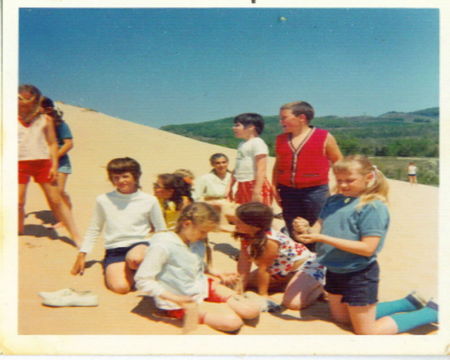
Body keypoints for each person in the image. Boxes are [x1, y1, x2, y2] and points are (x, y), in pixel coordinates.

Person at [295, 155, 438, 334]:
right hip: (334, 269)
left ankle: (432, 312)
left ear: (368, 178)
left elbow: (367, 248)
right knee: (341, 319)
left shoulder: (373, 207)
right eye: (339, 180)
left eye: (350, 180)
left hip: (359, 273)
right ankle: (409, 303)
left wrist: (323, 239)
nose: (343, 185)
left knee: (366, 331)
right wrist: (306, 229)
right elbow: (318, 229)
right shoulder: (333, 201)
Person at [135, 202, 261, 333]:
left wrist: (217, 273)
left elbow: (194, 263)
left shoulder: (195, 240)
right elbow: (143, 280)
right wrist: (174, 298)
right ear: (187, 224)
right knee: (233, 322)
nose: (204, 236)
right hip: (180, 300)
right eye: (203, 232)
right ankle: (208, 310)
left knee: (251, 310)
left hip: (201, 286)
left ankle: (214, 305)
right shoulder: (163, 245)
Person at [71, 157, 167, 294]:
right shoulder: (103, 200)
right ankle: (138, 274)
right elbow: (95, 228)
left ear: (136, 176)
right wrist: (82, 254)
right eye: (116, 177)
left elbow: (161, 230)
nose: (121, 181)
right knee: (121, 288)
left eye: (125, 176)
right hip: (115, 249)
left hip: (140, 245)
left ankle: (145, 272)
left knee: (135, 259)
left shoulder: (149, 200)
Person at [272, 101, 343, 250]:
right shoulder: (280, 139)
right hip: (287, 191)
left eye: (284, 118)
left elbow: (339, 162)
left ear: (302, 118)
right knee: (294, 228)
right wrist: (274, 186)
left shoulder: (323, 136)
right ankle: (299, 262)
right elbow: (278, 165)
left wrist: (341, 187)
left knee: (316, 228)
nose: (281, 122)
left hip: (316, 192)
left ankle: (318, 263)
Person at [18, 84, 82, 246]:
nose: (24, 106)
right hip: (18, 163)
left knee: (56, 200)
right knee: (18, 201)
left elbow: (54, 144)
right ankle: (18, 231)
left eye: (28, 103)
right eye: (20, 101)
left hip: (43, 163)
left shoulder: (48, 120)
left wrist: (54, 164)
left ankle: (76, 236)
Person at [231, 202, 325, 310]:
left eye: (239, 221)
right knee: (240, 283)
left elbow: (264, 269)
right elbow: (244, 264)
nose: (235, 223)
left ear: (255, 226)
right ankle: (287, 283)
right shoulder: (246, 235)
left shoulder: (269, 241)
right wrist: (240, 287)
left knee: (293, 304)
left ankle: (321, 288)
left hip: (306, 266)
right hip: (281, 270)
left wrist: (263, 295)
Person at [40, 97, 74, 228]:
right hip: (44, 163)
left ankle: (66, 217)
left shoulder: (60, 124)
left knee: (59, 191)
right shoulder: (36, 124)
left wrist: (55, 157)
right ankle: (61, 217)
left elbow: (69, 144)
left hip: (61, 162)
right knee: (52, 194)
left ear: (48, 109)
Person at [228, 113, 272, 205]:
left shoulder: (258, 143)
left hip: (255, 184)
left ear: (251, 127)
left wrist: (257, 190)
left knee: (258, 215)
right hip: (242, 184)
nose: (233, 128)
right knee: (242, 214)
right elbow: (237, 168)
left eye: (237, 125)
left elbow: (261, 169)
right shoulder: (241, 144)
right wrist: (229, 187)